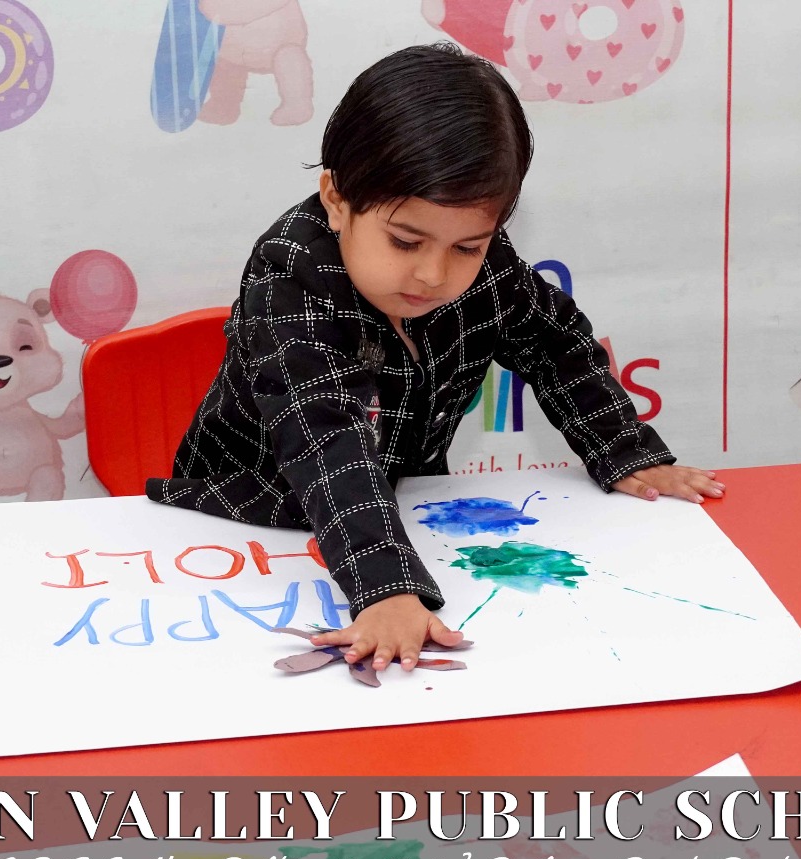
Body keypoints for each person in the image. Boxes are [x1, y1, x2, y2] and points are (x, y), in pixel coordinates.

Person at [147, 43, 722, 674]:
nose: (433, 273)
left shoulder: (484, 269)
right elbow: (324, 435)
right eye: (404, 241)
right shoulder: (292, 277)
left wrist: (624, 452)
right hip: (247, 519)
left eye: (467, 247)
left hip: (401, 503)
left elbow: (555, 342)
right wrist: (386, 587)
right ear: (337, 199)